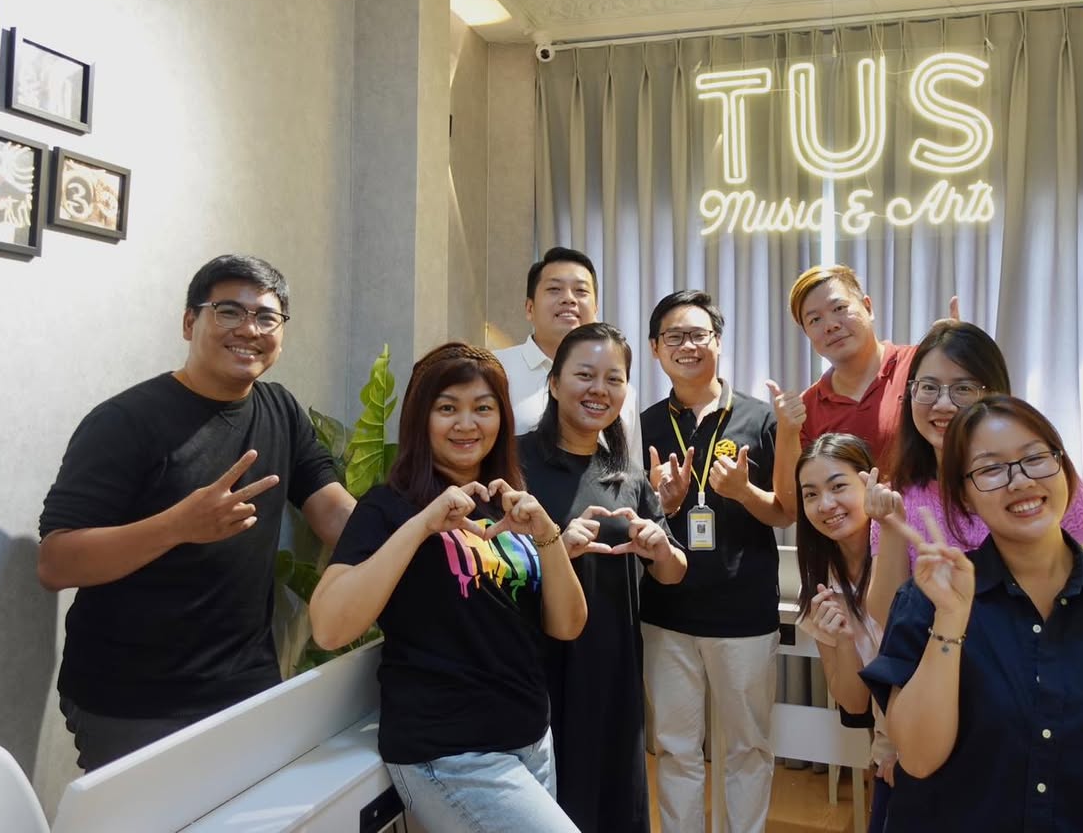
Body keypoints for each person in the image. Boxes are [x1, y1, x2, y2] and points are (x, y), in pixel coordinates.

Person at [38, 254, 355, 770]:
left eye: (267, 317)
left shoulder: (281, 409)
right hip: (133, 697)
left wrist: (421, 537)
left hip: (246, 681)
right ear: (190, 323)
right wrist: (177, 526)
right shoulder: (124, 422)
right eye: (228, 312)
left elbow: (334, 511)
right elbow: (55, 562)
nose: (249, 330)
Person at [860, 396, 1083, 832]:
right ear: (964, 497)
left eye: (1035, 458)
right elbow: (918, 759)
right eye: (991, 469)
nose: (1020, 481)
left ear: (1064, 469)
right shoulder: (925, 600)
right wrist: (951, 620)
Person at [308, 343, 587, 832]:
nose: (466, 423)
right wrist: (422, 525)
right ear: (422, 418)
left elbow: (566, 625)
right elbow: (329, 628)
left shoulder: (508, 504)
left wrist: (547, 534)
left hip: (530, 740)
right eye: (447, 408)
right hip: (451, 752)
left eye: (483, 407)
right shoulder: (387, 507)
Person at [518, 322, 687, 833]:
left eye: (614, 379)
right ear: (554, 383)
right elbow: (485, 559)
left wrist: (661, 548)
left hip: (612, 666)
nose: (600, 390)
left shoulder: (626, 474)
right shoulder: (515, 461)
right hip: (536, 663)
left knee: (613, 801)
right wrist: (554, 548)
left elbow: (673, 573)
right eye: (585, 375)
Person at [638, 291, 790, 833]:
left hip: (743, 610)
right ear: (655, 348)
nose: (687, 345)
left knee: (747, 746)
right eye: (674, 336)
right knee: (674, 747)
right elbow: (632, 519)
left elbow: (785, 512)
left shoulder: (759, 418)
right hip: (666, 613)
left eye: (698, 334)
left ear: (718, 343)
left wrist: (745, 492)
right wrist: (663, 504)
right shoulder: (641, 426)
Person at [864, 321, 1083, 628]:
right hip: (936, 653)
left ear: (995, 393)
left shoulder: (1045, 483)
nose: (943, 404)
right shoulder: (897, 498)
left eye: (963, 388)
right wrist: (891, 529)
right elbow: (889, 616)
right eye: (928, 387)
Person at [769, 264, 956, 512]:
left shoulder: (919, 366)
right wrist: (787, 431)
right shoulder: (808, 408)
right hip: (849, 537)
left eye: (839, 308)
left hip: (932, 528)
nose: (830, 325)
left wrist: (957, 360)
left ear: (868, 307)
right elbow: (794, 506)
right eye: (815, 320)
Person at [794, 433, 896, 833]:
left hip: (935, 733)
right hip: (886, 741)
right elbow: (854, 703)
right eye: (811, 494)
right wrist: (842, 640)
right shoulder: (819, 584)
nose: (825, 505)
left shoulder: (901, 551)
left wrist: (904, 744)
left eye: (838, 487)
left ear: (870, 482)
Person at [495, 246, 642, 463]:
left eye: (581, 291)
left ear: (595, 309)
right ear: (529, 308)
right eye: (554, 289)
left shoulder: (620, 389)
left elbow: (630, 468)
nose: (569, 299)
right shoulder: (495, 369)